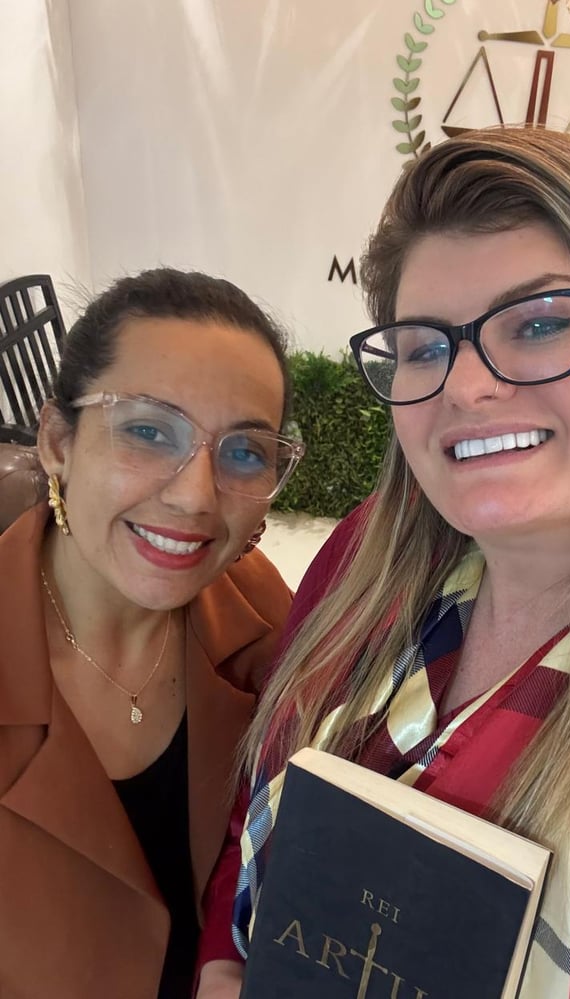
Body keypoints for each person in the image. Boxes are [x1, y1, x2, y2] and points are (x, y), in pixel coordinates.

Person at [196, 127, 570, 999]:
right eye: (425, 346)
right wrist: (222, 962)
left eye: (538, 324)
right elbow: (269, 788)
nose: (464, 386)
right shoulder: (363, 559)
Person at [0, 267, 305, 999]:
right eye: (146, 430)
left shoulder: (268, 619)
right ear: (58, 441)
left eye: (244, 451)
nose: (195, 497)